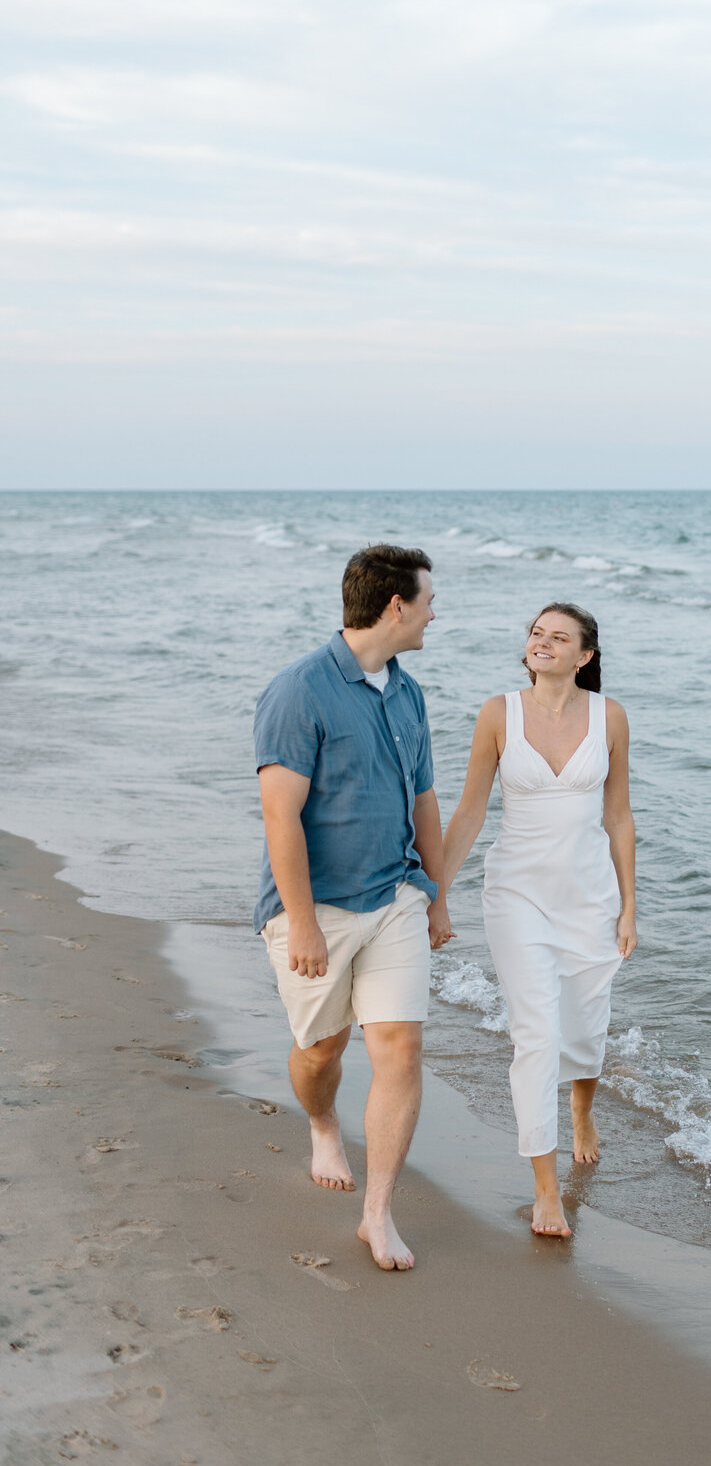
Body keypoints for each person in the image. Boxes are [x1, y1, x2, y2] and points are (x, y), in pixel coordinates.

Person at [253, 544, 454, 1271]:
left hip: (396, 894)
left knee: (399, 1044)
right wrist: (301, 919)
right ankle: (322, 1121)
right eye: (430, 600)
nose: (437, 613)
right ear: (396, 607)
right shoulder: (298, 690)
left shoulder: (409, 692)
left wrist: (434, 896)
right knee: (321, 1052)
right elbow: (282, 818)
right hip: (317, 907)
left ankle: (377, 1213)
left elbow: (425, 801)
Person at [441, 603, 637, 1238]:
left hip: (590, 897)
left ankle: (583, 1111)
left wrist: (631, 906)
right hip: (516, 893)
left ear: (584, 655)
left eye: (559, 638)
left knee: (585, 1029)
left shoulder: (611, 717)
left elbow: (618, 817)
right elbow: (471, 811)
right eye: (536, 634)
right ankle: (545, 1190)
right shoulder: (499, 713)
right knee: (536, 1037)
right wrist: (436, 893)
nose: (543, 643)